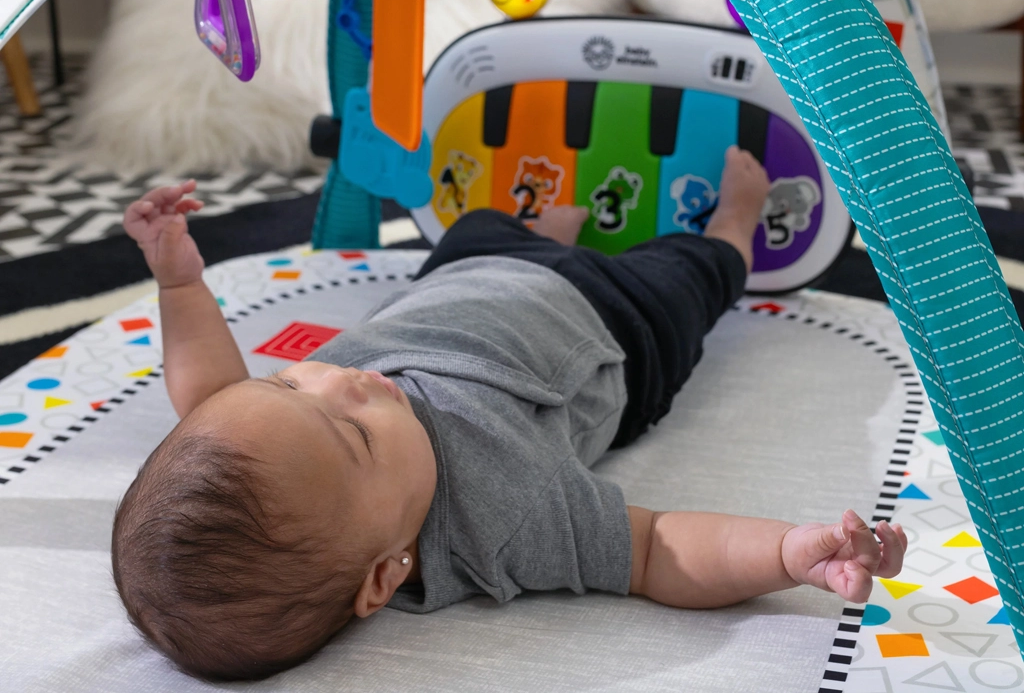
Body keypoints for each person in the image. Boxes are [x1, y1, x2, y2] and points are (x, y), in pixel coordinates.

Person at [111, 147, 906, 681]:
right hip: (615, 323)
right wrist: (787, 555)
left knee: (475, 226)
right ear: (385, 575)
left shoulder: (284, 442)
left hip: (471, 272)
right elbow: (654, 548)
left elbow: (208, 395)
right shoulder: (502, 517)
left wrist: (179, 282)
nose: (343, 382)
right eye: (354, 434)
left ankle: (548, 228)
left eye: (289, 384)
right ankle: (735, 223)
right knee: (694, 279)